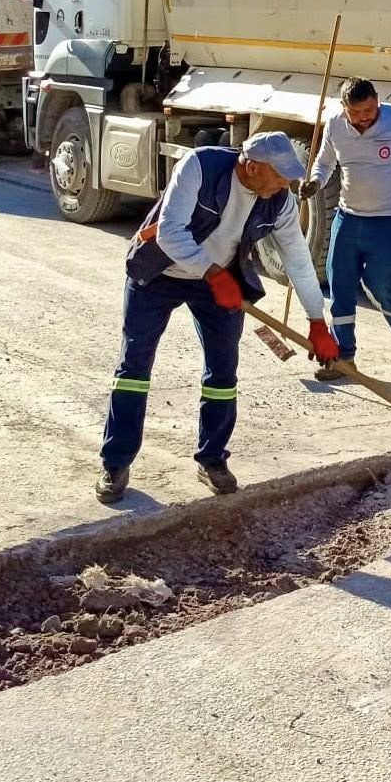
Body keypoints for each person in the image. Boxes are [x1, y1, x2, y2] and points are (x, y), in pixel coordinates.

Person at [97, 132, 339, 504]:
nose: (284, 186)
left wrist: (317, 321)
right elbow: (169, 232)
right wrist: (212, 273)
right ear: (252, 166)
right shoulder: (200, 166)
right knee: (134, 368)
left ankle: (212, 459)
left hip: (219, 281)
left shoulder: (280, 201)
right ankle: (115, 463)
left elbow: (298, 259)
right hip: (159, 274)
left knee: (223, 372)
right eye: (278, 177)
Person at [302, 79, 391, 378]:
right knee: (340, 286)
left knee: (381, 284)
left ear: (377, 100)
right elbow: (324, 164)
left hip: (388, 220)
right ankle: (343, 357)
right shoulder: (335, 126)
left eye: (369, 109)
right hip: (348, 217)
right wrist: (315, 182)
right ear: (343, 108)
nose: (364, 117)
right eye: (356, 112)